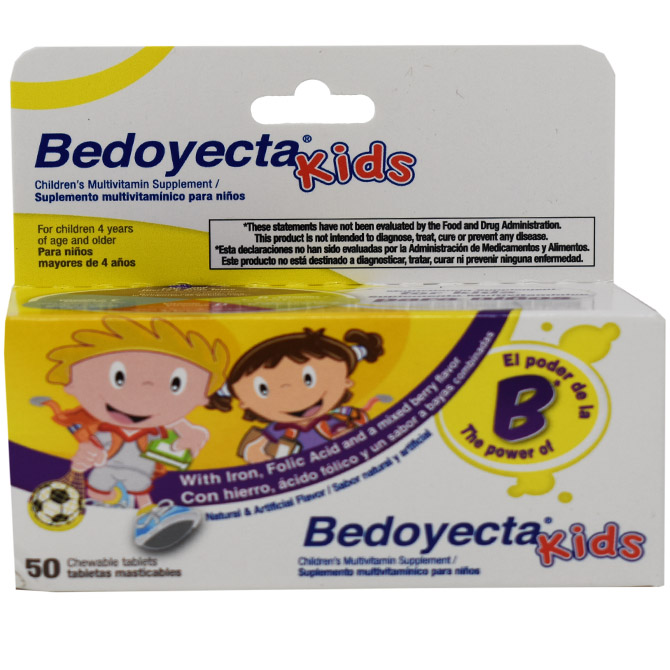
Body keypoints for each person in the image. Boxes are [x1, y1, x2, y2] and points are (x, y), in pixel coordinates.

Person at [45, 317, 227, 550]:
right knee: (99, 488)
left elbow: (184, 431)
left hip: (140, 470)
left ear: (201, 397)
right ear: (73, 384)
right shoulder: (101, 429)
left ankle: (148, 517)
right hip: (106, 468)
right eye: (118, 378)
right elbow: (89, 446)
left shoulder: (160, 428)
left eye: (176, 384)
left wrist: (192, 435)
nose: (142, 396)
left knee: (141, 490)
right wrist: (87, 456)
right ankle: (106, 512)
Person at [208, 328, 386, 463]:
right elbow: (251, 452)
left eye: (309, 379)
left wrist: (351, 439)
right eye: (264, 389)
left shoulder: (342, 417)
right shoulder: (276, 432)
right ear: (244, 402)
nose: (290, 393)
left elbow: (367, 435)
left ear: (346, 380)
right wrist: (266, 452)